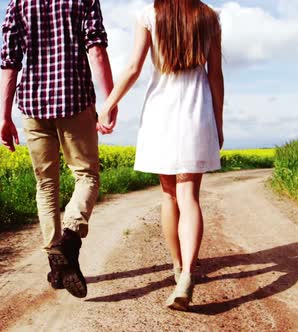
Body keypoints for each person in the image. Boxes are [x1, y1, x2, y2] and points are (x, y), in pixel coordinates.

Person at [98, 0, 224, 310]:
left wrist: (109, 103)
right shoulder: (209, 17)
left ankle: (178, 268)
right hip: (197, 111)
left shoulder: (148, 15)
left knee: (169, 197)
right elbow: (215, 75)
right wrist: (217, 122)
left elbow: (133, 68)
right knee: (189, 196)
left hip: (161, 113)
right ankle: (186, 278)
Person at [0, 0, 115, 298]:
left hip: (32, 105)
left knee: (46, 184)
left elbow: (10, 60)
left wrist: (4, 116)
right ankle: (69, 238)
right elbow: (96, 48)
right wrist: (109, 101)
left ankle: (56, 260)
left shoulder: (19, 2)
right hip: (74, 99)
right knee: (86, 175)